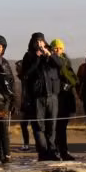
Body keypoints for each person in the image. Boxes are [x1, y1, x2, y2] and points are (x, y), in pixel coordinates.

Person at [21, 32, 63, 161]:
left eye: (41, 41)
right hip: (37, 98)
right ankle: (43, 152)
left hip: (52, 96)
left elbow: (60, 64)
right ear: (33, 43)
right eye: (37, 41)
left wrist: (48, 54)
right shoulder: (28, 56)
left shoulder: (50, 54)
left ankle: (52, 151)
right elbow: (25, 75)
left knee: (52, 126)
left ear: (45, 42)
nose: (40, 44)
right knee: (39, 127)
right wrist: (37, 58)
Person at [50, 39, 78, 160]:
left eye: (60, 48)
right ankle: (55, 151)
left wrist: (68, 85)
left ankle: (63, 151)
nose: (58, 50)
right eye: (55, 48)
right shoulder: (50, 61)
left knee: (62, 127)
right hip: (54, 97)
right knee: (53, 127)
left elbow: (73, 79)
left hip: (65, 98)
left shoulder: (66, 62)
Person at [13, 59, 32, 151]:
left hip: (32, 103)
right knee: (23, 124)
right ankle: (26, 144)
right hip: (24, 104)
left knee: (37, 126)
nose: (17, 69)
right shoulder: (22, 77)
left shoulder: (28, 76)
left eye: (18, 67)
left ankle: (39, 145)